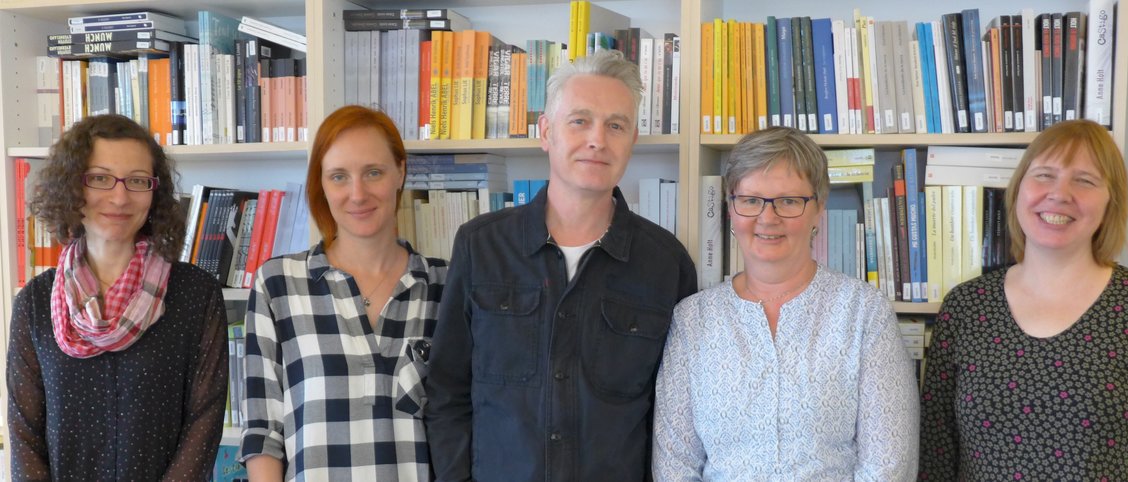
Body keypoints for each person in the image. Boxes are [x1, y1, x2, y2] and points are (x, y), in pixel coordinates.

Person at [424, 49, 698, 481]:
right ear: (546, 132)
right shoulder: (480, 246)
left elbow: (674, 418)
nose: (598, 140)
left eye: (615, 125)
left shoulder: (667, 264)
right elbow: (447, 392)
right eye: (580, 121)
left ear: (632, 140)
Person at [918, 119, 1128, 480]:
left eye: (1084, 180)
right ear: (1018, 190)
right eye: (1044, 175)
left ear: (1111, 201)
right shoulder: (966, 308)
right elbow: (936, 455)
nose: (1060, 193)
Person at [652, 126, 919, 480]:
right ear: (731, 207)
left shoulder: (863, 312)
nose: (768, 218)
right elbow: (675, 464)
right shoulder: (692, 320)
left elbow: (889, 465)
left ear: (818, 208)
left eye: (789, 201)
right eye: (751, 200)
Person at [7, 115, 228, 481]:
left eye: (137, 180)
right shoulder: (35, 301)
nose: (120, 197)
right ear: (71, 186)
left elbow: (204, 422)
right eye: (100, 178)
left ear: (155, 192)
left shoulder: (196, 294)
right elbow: (23, 433)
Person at [239, 105, 447, 481]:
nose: (357, 193)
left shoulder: (446, 285)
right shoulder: (277, 283)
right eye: (339, 176)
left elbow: (470, 422)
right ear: (321, 184)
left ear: (400, 172)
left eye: (373, 172)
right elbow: (263, 432)